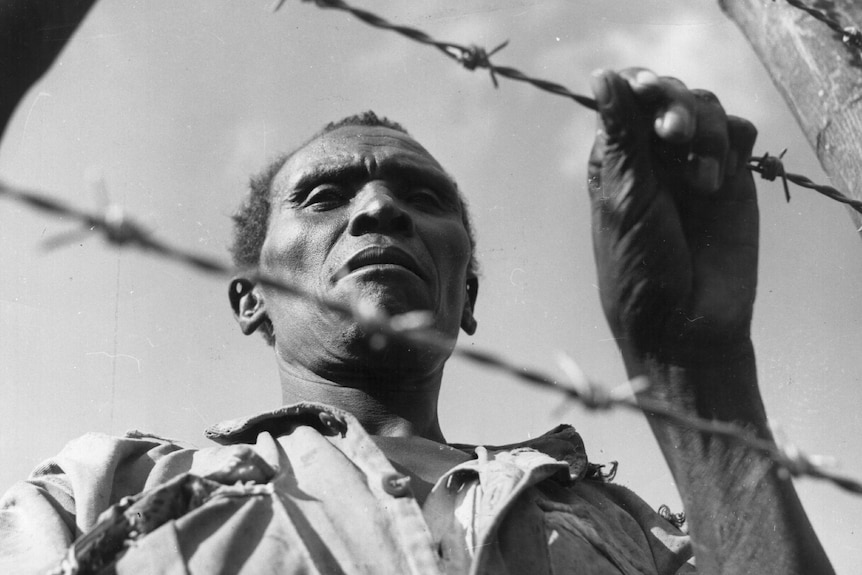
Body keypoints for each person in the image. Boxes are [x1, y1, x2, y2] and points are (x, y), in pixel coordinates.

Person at [0, 2, 835, 574]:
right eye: (325, 196)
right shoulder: (104, 486)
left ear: (466, 297)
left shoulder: (632, 526)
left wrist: (698, 369)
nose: (379, 211)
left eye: (424, 199)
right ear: (250, 296)